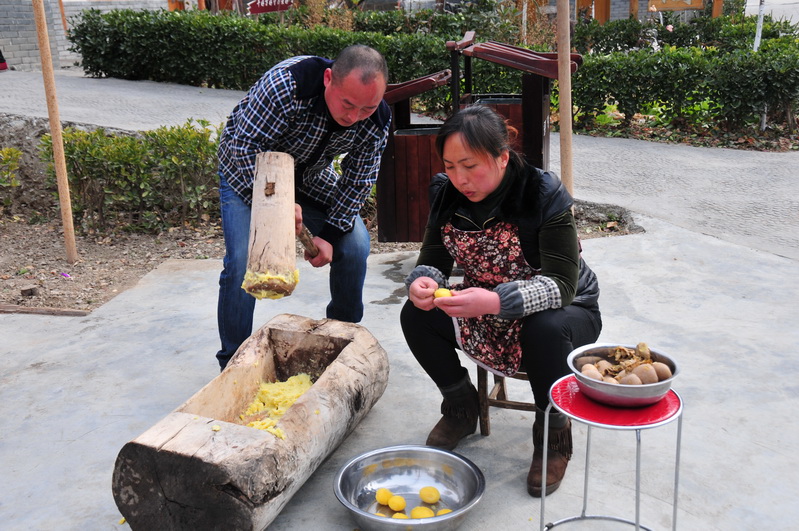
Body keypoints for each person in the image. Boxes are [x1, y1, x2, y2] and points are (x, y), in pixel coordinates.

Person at [400, 105, 602, 497]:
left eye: (470, 166)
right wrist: (423, 283)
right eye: (450, 166)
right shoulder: (446, 193)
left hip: (566, 310)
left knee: (544, 328)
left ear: (502, 157)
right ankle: (461, 407)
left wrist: (493, 301)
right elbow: (433, 260)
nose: (460, 178)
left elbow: (563, 284)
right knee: (416, 315)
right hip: (487, 307)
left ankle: (553, 433)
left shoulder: (542, 192)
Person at [215, 45, 391, 370]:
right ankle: (233, 363)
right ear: (328, 79)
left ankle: (341, 344)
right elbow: (244, 149)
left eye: (366, 108)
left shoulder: (377, 119)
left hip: (308, 177)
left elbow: (357, 181)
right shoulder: (287, 85)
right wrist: (278, 206)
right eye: (347, 104)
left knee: (354, 245)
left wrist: (329, 234)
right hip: (248, 173)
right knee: (242, 261)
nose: (353, 117)